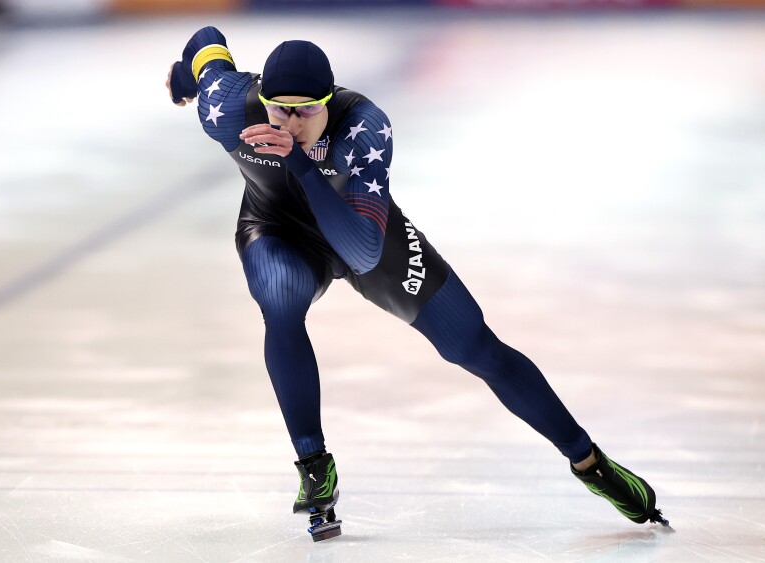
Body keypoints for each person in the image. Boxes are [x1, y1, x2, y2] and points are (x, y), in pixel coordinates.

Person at [166, 26, 668, 541]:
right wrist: (188, 75)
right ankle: (314, 465)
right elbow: (207, 43)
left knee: (474, 347)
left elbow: (362, 252)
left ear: (329, 100)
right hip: (278, 229)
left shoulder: (363, 127)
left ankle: (589, 462)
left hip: (360, 228)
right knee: (280, 298)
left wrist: (299, 164)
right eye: (280, 111)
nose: (291, 124)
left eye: (307, 111)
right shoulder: (228, 108)